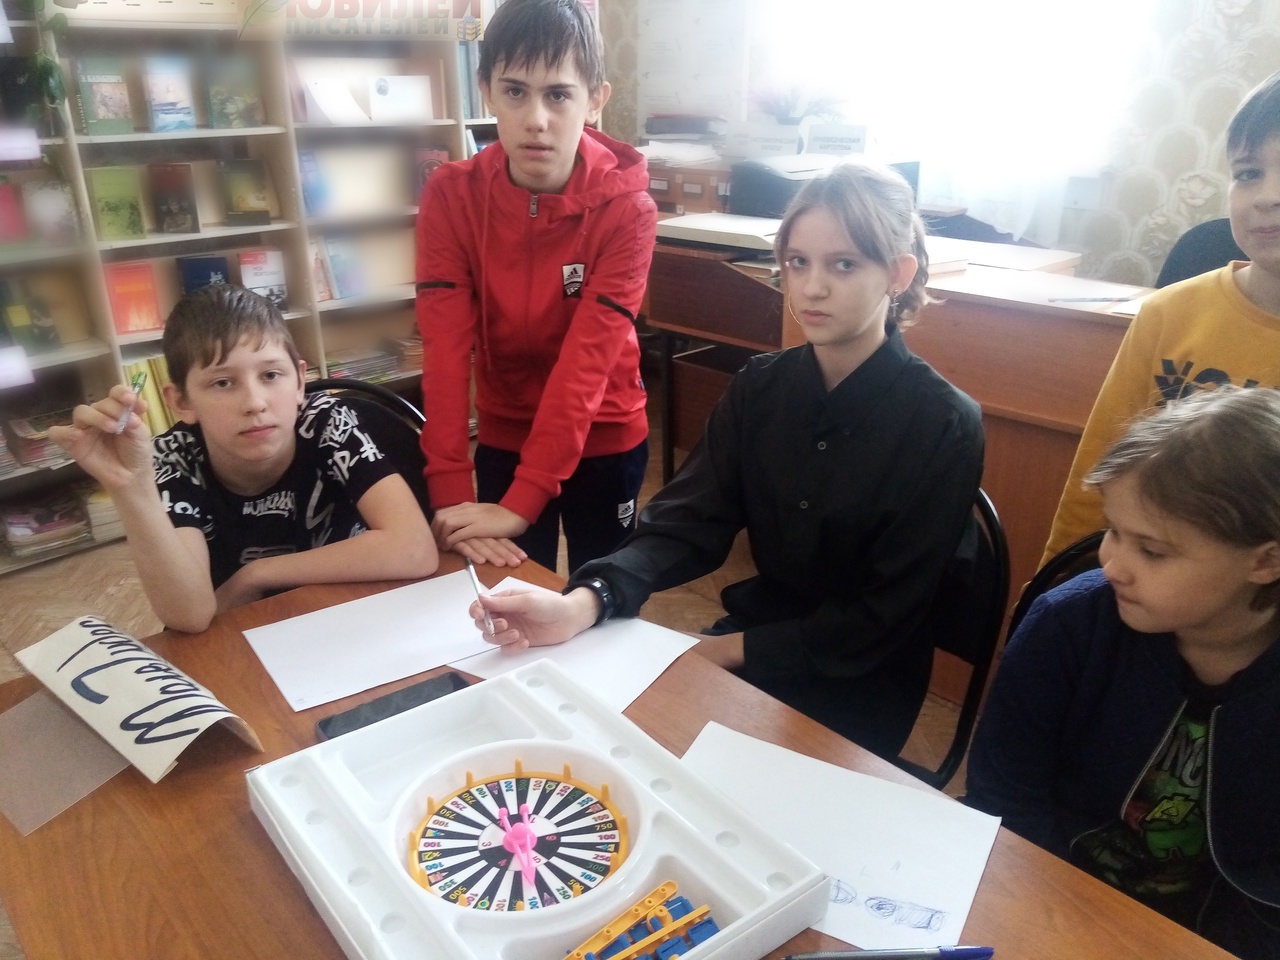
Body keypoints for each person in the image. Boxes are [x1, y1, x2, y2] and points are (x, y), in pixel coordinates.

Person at [466, 160, 985, 760]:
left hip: (861, 679)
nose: (812, 288)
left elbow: (881, 618)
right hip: (750, 645)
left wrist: (716, 650)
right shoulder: (761, 386)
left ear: (898, 274)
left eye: (844, 264)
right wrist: (584, 604)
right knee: (601, 746)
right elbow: (686, 523)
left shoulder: (945, 424)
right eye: (798, 262)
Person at [967, 386, 1280, 960]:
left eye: (1152, 552)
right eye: (1113, 531)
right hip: (1050, 895)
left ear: (1266, 560)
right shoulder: (1068, 624)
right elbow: (1004, 796)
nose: (1112, 564)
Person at [416, 0, 657, 573]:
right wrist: (451, 493)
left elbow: (586, 364)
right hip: (506, 431)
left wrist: (524, 501)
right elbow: (445, 349)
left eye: (559, 95)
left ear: (595, 99)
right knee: (506, 600)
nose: (536, 119)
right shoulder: (451, 195)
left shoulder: (629, 211)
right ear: (486, 91)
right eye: (515, 91)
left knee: (602, 598)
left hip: (605, 435)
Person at [50, 284, 438, 633]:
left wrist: (257, 573)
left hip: (352, 612)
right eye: (223, 382)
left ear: (299, 381)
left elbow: (415, 550)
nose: (254, 403)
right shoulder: (173, 458)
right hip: (252, 632)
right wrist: (131, 487)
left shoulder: (328, 421)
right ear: (181, 401)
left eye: (271, 375)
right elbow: (190, 616)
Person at [1041, 70, 1280, 564]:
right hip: (1142, 587)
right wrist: (1055, 584)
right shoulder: (1168, 315)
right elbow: (1099, 474)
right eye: (1248, 173)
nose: (1265, 196)